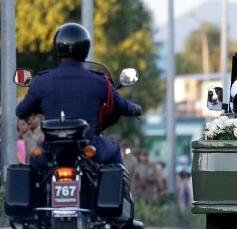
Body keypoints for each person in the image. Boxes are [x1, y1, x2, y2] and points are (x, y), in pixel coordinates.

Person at [16, 23, 142, 166]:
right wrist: (136, 109)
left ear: (56, 48)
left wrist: (40, 106)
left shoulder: (41, 81)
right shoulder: (100, 82)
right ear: (85, 49)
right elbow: (123, 106)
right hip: (89, 147)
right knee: (114, 147)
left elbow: (21, 110)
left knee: (34, 162)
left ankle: (38, 189)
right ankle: (116, 189)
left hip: (52, 149)